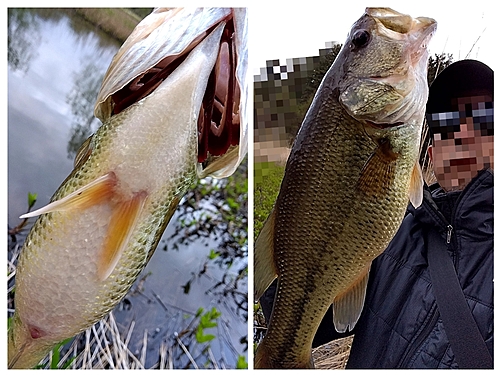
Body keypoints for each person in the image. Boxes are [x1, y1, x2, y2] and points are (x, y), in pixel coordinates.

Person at [259, 59, 493, 368]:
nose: (462, 132)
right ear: (432, 153)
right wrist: (311, 209)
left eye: (483, 117)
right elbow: (287, 307)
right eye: (447, 124)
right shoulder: (392, 236)